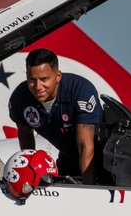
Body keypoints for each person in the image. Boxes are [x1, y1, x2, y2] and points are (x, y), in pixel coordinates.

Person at [8, 48, 102, 183]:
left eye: (44, 79)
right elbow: (25, 135)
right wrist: (31, 176)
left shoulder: (80, 91)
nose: (38, 87)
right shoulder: (20, 99)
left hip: (99, 160)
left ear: (58, 76)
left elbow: (85, 147)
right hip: (68, 158)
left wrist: (89, 191)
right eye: (32, 80)